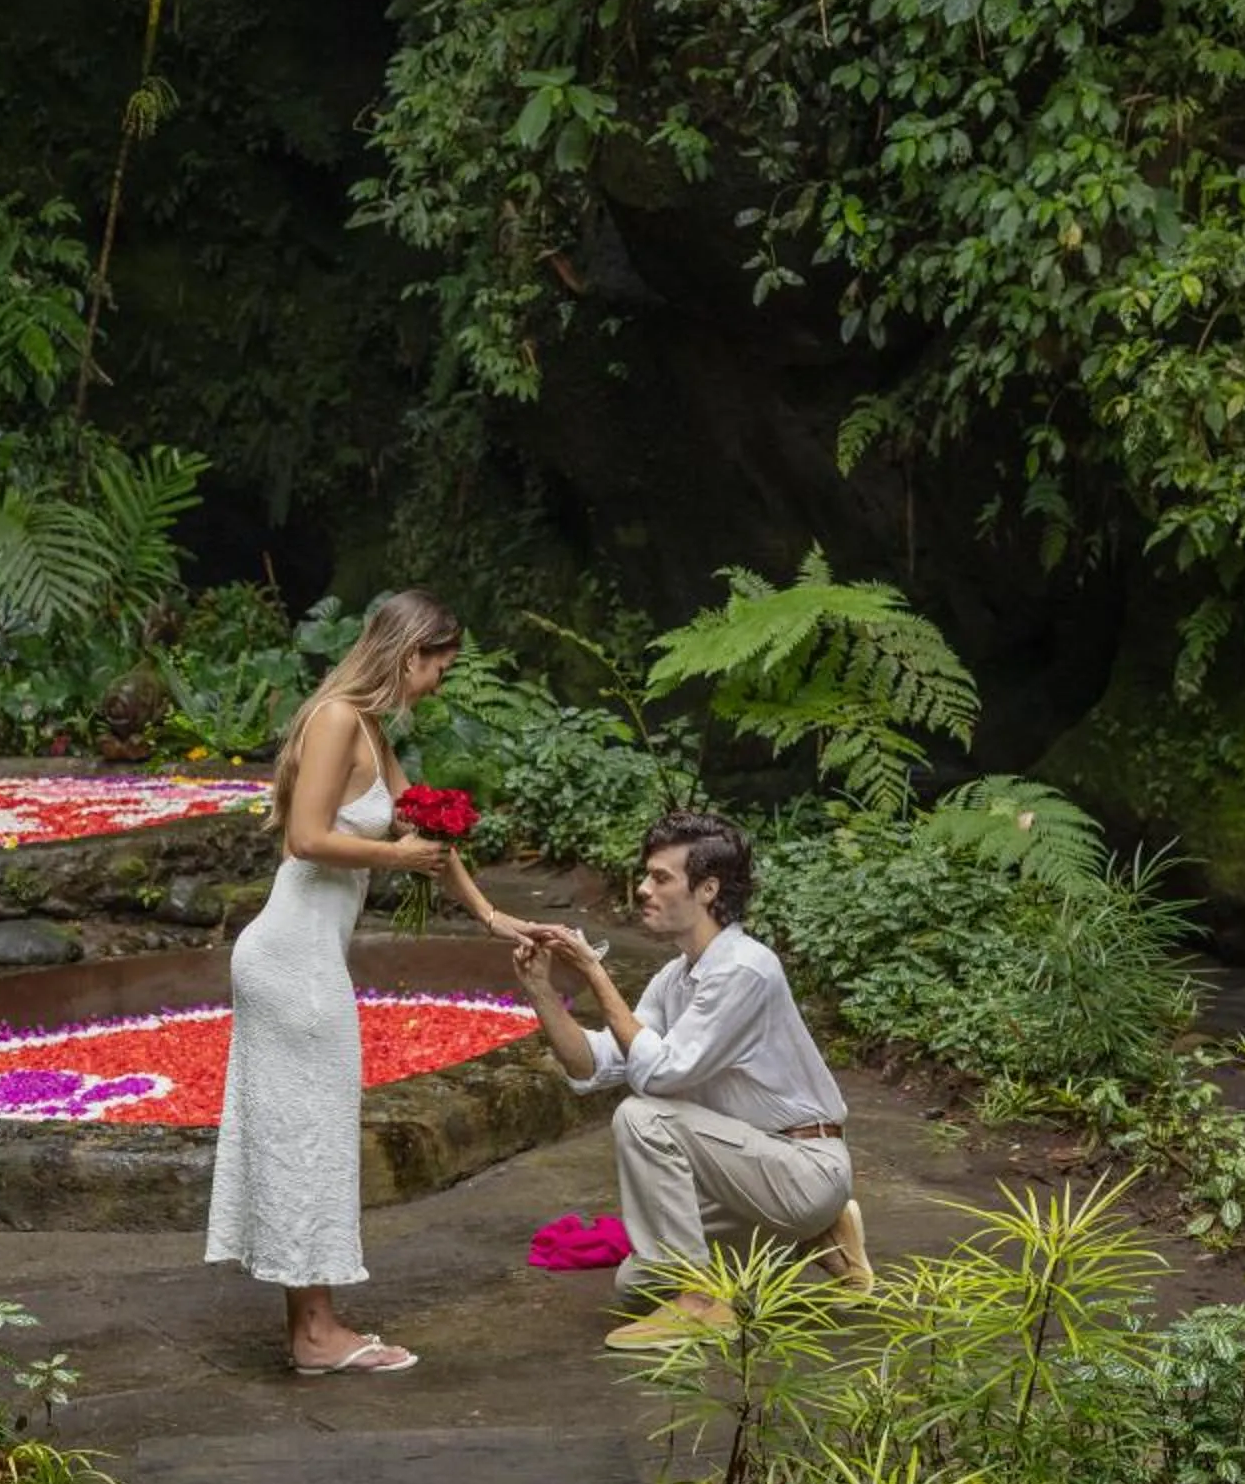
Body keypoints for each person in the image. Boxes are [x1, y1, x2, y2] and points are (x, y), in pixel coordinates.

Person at [206, 588, 544, 1374]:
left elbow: (424, 831)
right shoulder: (333, 721)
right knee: (308, 1137)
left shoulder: (369, 730)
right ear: (409, 653)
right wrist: (398, 859)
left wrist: (493, 918)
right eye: (439, 668)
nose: (439, 685)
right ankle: (316, 1333)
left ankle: (313, 1325)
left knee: (312, 1134)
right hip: (289, 956)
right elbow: (307, 837)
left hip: (311, 956)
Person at [512, 808, 874, 1349]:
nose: (642, 889)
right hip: (748, 1176)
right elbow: (594, 1065)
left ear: (707, 889)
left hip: (801, 1169)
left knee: (642, 1116)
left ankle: (702, 1301)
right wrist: (541, 990)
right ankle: (817, 1240)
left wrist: (595, 972)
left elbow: (659, 1074)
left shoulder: (745, 969)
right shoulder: (675, 976)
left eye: (660, 878)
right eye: (646, 875)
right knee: (636, 1284)